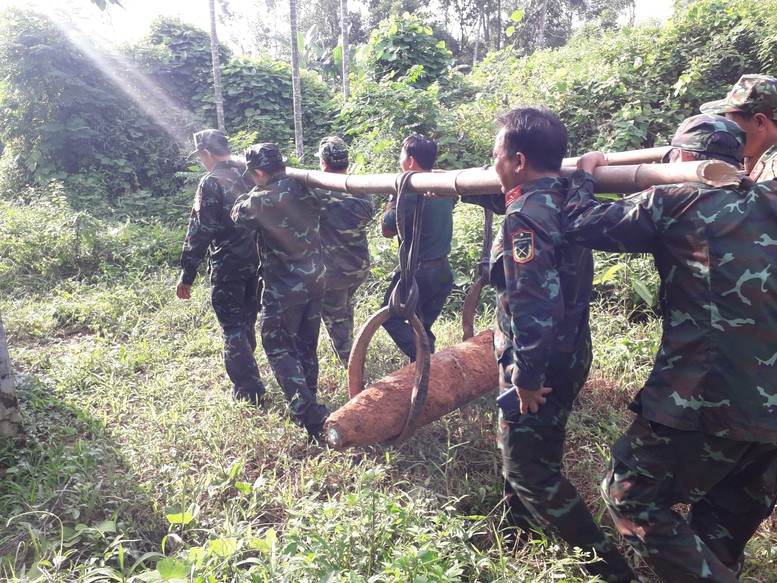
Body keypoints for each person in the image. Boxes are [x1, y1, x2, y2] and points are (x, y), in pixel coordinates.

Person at [565, 114, 777, 582]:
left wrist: (584, 173)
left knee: (630, 495)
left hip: (707, 396)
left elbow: (579, 223)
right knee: (720, 529)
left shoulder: (676, 199)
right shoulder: (770, 197)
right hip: (770, 415)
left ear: (679, 159)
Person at [490, 107, 636, 583]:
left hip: (540, 364)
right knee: (531, 448)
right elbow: (579, 182)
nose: (492, 162)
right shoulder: (570, 198)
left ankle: (610, 568)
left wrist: (526, 378)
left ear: (518, 159)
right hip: (571, 352)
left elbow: (533, 305)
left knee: (528, 467)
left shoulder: (525, 217)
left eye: (496, 154)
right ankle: (516, 530)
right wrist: (588, 169)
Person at [231, 143, 330, 442]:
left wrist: (254, 191)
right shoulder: (308, 187)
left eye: (254, 175)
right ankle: (309, 397)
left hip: (284, 288)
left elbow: (237, 215)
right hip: (316, 279)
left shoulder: (261, 199)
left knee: (276, 344)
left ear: (259, 172)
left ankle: (308, 414)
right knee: (306, 343)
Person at [176, 129, 265, 405]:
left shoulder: (211, 182)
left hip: (228, 264)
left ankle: (249, 391)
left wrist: (187, 275)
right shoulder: (250, 173)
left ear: (207, 154)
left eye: (201, 157)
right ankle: (248, 371)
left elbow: (201, 231)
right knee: (247, 319)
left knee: (232, 326)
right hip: (258, 260)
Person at [380, 134, 455, 361]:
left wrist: (394, 197)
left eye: (402, 155)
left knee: (389, 315)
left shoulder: (412, 192)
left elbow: (387, 229)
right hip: (443, 271)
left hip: (420, 273)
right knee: (421, 327)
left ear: (410, 161)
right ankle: (424, 373)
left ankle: (424, 360)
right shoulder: (443, 186)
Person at [314, 137, 373, 365]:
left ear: (324, 163)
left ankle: (351, 365)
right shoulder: (361, 189)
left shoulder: (319, 193)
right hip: (358, 266)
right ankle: (353, 350)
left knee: (336, 318)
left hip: (333, 272)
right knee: (346, 309)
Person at [701, 73, 777, 182]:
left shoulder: (773, 172)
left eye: (731, 124)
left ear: (759, 122)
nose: (727, 131)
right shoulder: (764, 161)